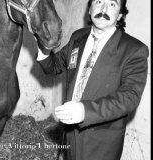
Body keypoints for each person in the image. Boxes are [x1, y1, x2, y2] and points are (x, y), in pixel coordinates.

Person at [36, 0, 149, 160]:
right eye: (99, 1)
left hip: (101, 141)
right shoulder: (78, 37)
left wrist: (85, 111)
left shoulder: (134, 50)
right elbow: (55, 66)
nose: (103, 9)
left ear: (120, 15)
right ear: (89, 10)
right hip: (69, 133)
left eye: (112, 4)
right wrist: (42, 48)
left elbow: (129, 97)